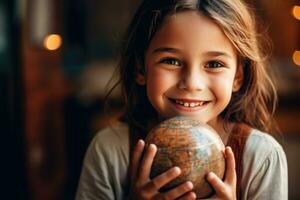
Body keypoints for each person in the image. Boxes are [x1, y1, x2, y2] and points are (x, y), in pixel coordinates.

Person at [75, 0, 288, 199]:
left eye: (214, 64)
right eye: (171, 61)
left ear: (238, 77)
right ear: (140, 68)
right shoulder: (110, 151)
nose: (191, 82)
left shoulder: (261, 157)